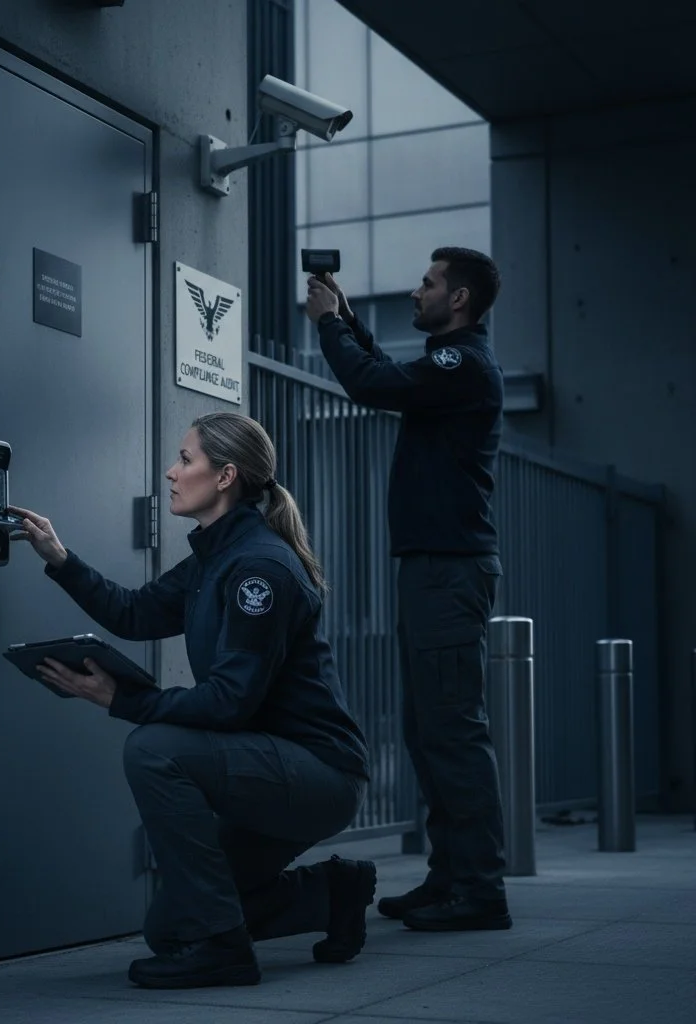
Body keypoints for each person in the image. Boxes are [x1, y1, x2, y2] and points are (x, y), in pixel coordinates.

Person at [8, 412, 375, 990]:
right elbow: (135, 612)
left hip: (317, 773)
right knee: (172, 927)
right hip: (272, 764)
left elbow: (229, 703)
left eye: (185, 459)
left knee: (154, 748)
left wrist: (121, 699)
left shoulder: (259, 567)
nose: (172, 472)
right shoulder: (215, 556)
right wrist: (60, 558)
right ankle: (332, 894)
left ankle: (225, 952)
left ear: (225, 476)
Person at [304, 247, 512, 933]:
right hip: (434, 569)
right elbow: (389, 375)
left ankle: (479, 891)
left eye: (427, 284)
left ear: (459, 300)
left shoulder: (465, 364)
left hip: (448, 570)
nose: (416, 292)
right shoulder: (449, 369)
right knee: (428, 732)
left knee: (452, 732)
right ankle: (449, 877)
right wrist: (347, 320)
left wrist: (332, 327)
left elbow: (371, 385)